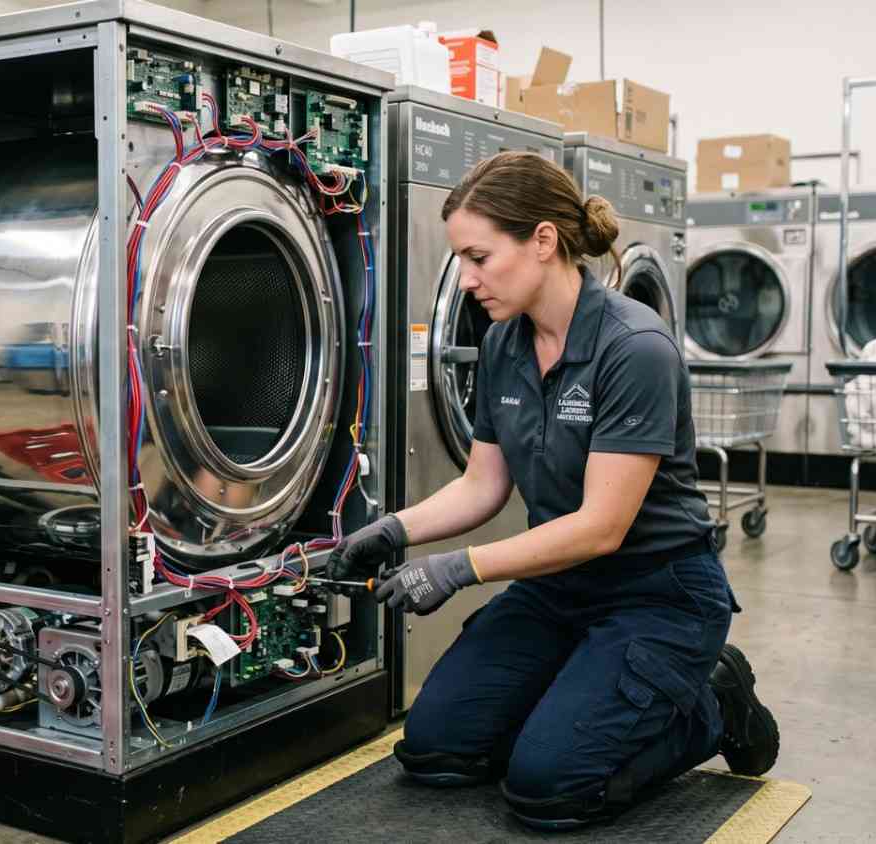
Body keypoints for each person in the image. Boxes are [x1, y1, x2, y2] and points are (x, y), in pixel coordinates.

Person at [328, 151, 779, 830]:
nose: (470, 280)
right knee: (436, 749)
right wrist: (394, 529)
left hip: (656, 591)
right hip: (557, 589)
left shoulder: (634, 347)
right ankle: (582, 696)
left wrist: (461, 567)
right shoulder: (506, 344)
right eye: (461, 264)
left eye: (480, 258)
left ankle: (713, 702)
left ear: (543, 241)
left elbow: (602, 527)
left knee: (549, 789)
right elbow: (483, 483)